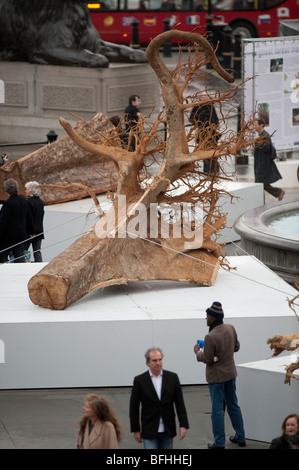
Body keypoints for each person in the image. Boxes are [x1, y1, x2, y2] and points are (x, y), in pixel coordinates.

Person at [193, 301, 245, 449]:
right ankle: (240, 436)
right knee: (233, 405)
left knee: (217, 411)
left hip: (216, 378)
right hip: (230, 373)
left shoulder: (210, 337)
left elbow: (208, 359)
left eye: (207, 315)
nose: (205, 318)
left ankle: (219, 443)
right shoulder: (230, 328)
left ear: (213, 318)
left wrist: (198, 352)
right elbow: (237, 347)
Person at [129, 347, 189, 449]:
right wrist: (136, 429)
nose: (158, 363)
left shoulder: (172, 378)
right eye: (154, 360)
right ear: (147, 363)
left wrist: (183, 424)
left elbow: (180, 403)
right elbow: (133, 407)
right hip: (149, 429)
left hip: (168, 429)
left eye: (160, 359)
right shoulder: (140, 380)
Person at [0, 178, 34, 263]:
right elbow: (29, 217)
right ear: (17, 188)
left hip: (7, 237)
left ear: (7, 190)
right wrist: (31, 231)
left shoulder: (7, 203)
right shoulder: (24, 201)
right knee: (19, 255)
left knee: (2, 256)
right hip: (21, 234)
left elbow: (3, 221)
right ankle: (21, 273)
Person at [253, 119, 285, 201]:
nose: (254, 127)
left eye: (256, 125)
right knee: (260, 184)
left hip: (263, 164)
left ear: (261, 125)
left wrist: (257, 142)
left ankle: (279, 192)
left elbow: (266, 148)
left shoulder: (265, 135)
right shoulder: (261, 135)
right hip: (260, 163)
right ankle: (260, 201)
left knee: (261, 184)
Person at [189, 91, 220, 174]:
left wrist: (214, 125)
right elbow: (192, 118)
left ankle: (214, 168)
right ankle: (207, 169)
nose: (205, 98)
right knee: (205, 152)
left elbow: (215, 118)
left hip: (212, 133)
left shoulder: (211, 106)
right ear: (201, 98)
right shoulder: (197, 107)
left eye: (206, 96)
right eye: (203, 96)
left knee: (213, 151)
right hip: (203, 133)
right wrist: (200, 124)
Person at [24, 181, 45, 262]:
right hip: (39, 230)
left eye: (26, 189)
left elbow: (28, 218)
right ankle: (39, 268)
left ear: (32, 190)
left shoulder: (28, 202)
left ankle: (23, 268)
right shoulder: (41, 202)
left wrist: (30, 231)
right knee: (37, 251)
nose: (25, 191)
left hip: (29, 231)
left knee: (24, 251)